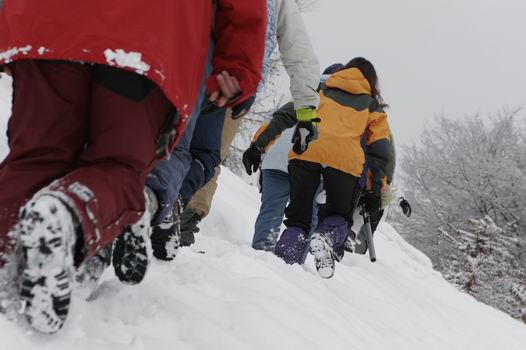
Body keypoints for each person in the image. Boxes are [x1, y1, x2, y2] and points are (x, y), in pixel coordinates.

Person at [0, 0, 266, 333]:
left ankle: (5, 295)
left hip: (46, 19)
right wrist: (238, 64)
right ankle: (68, 212)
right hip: (146, 32)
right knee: (118, 168)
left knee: (35, 159)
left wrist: (13, 25)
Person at [175, 0, 321, 249]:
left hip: (181, 65)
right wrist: (306, 110)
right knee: (209, 155)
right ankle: (181, 221)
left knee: (172, 142)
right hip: (235, 84)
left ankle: (161, 208)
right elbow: (298, 49)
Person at [273, 57, 395, 278]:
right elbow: (382, 151)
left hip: (307, 151)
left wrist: (259, 143)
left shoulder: (321, 89)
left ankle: (284, 264)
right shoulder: (372, 106)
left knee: (298, 218)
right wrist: (376, 189)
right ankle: (326, 238)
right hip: (345, 163)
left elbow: (288, 111)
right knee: (339, 216)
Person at [242, 64, 344, 252]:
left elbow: (273, 119)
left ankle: (262, 249)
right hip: (306, 165)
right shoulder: (340, 104)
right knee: (306, 216)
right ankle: (294, 257)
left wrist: (258, 147)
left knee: (271, 210)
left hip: (274, 159)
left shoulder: (303, 91)